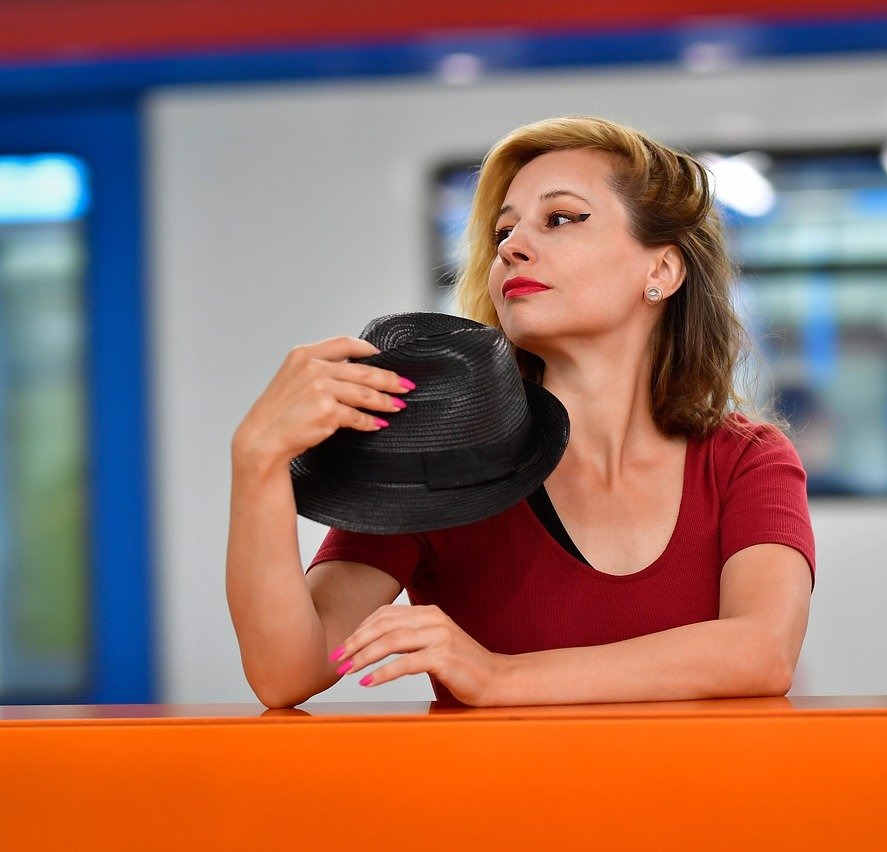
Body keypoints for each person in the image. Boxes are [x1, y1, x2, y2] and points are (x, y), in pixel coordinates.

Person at [227, 116, 815, 708]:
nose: (511, 247)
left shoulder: (746, 461)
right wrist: (257, 458)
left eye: (560, 218)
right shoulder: (442, 458)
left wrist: (498, 678)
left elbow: (762, 651)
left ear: (661, 270)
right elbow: (287, 673)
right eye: (503, 231)